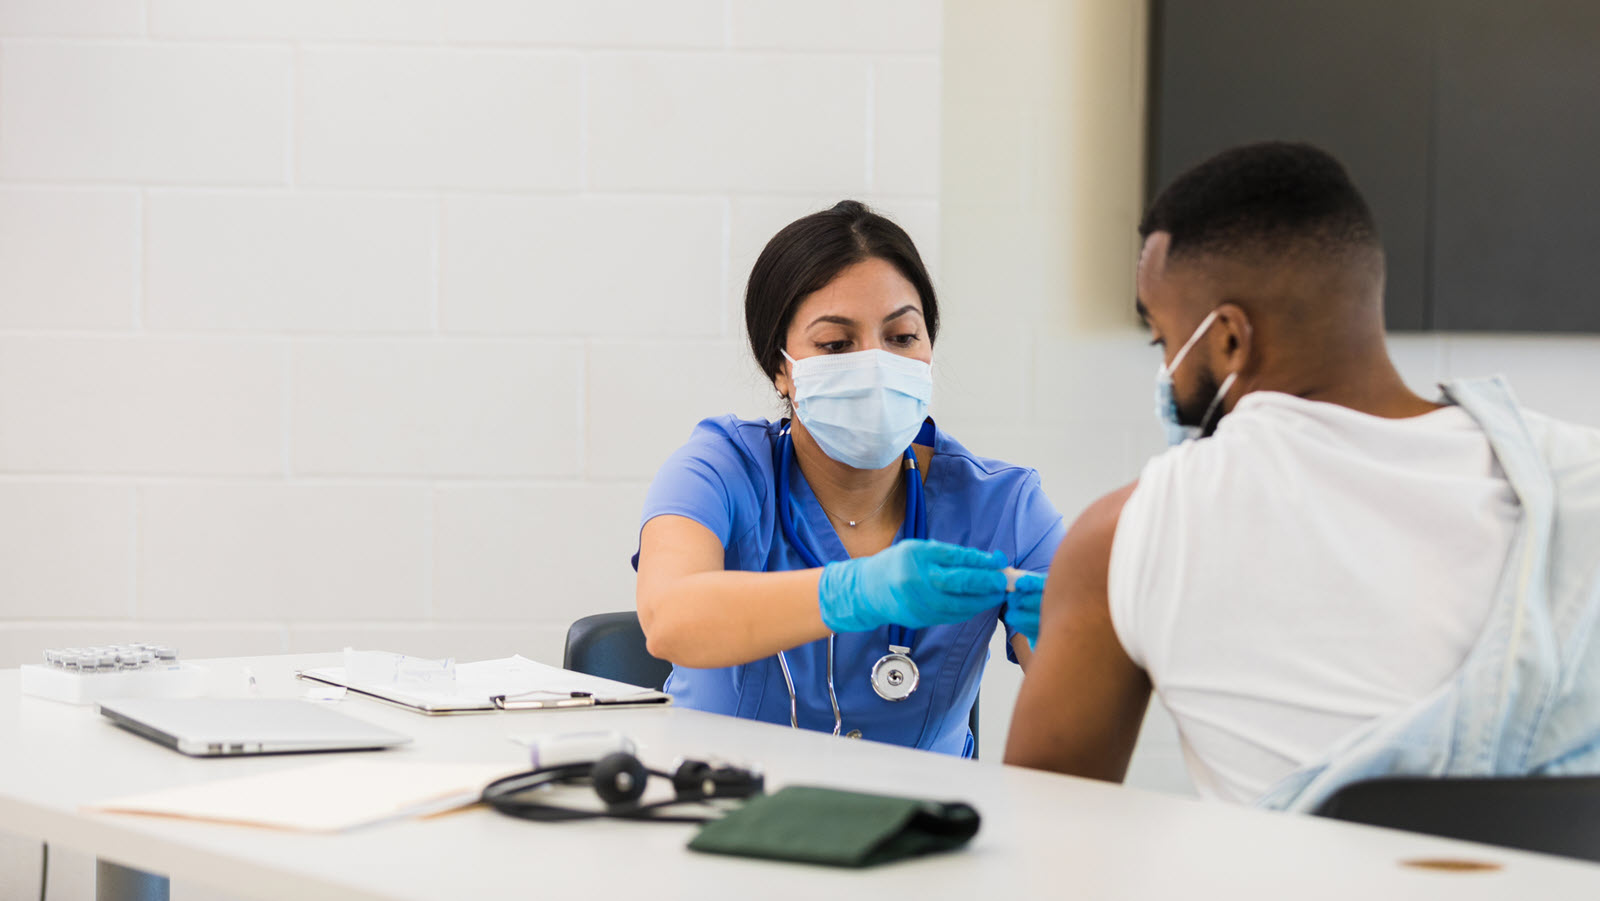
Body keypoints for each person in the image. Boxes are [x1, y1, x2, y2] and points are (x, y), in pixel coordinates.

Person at [1004, 142, 1600, 809]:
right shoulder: (1580, 480)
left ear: (1229, 338)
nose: (1166, 369)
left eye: (1164, 340)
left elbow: (1043, 827)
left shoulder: (1128, 534)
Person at [634, 200, 1066, 757]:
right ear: (782, 367)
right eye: (836, 345)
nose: (875, 364)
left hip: (918, 829)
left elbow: (1081, 700)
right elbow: (669, 619)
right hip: (719, 812)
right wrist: (857, 590)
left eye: (902, 336)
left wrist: (1072, 643)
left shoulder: (1005, 506)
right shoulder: (719, 468)